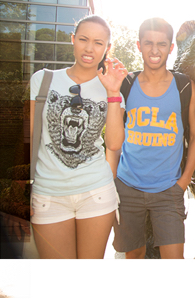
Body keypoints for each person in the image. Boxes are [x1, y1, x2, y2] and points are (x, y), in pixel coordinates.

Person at [28, 15, 123, 259]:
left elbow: (113, 144)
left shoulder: (112, 88)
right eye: (83, 39)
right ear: (72, 40)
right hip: (49, 193)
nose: (89, 48)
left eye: (98, 43)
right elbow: (33, 137)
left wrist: (113, 93)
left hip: (96, 192)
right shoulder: (42, 80)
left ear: (107, 48)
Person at [106, 18, 195, 259]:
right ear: (139, 45)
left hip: (169, 189)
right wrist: (113, 180)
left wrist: (183, 182)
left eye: (161, 43)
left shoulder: (183, 86)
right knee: (134, 255)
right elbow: (114, 139)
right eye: (148, 43)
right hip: (127, 187)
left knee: (174, 258)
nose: (154, 50)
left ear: (170, 47)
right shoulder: (126, 83)